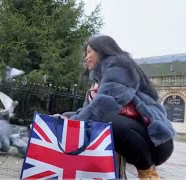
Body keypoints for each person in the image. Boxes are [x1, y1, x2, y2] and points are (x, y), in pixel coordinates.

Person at [62, 35, 176, 179]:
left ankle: (148, 173)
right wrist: (68, 118)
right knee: (67, 116)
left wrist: (76, 120)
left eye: (90, 51)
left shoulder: (118, 65)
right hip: (132, 135)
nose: (86, 57)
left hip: (155, 141)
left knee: (106, 120)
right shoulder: (98, 78)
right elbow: (88, 110)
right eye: (85, 53)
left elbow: (107, 103)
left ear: (103, 50)